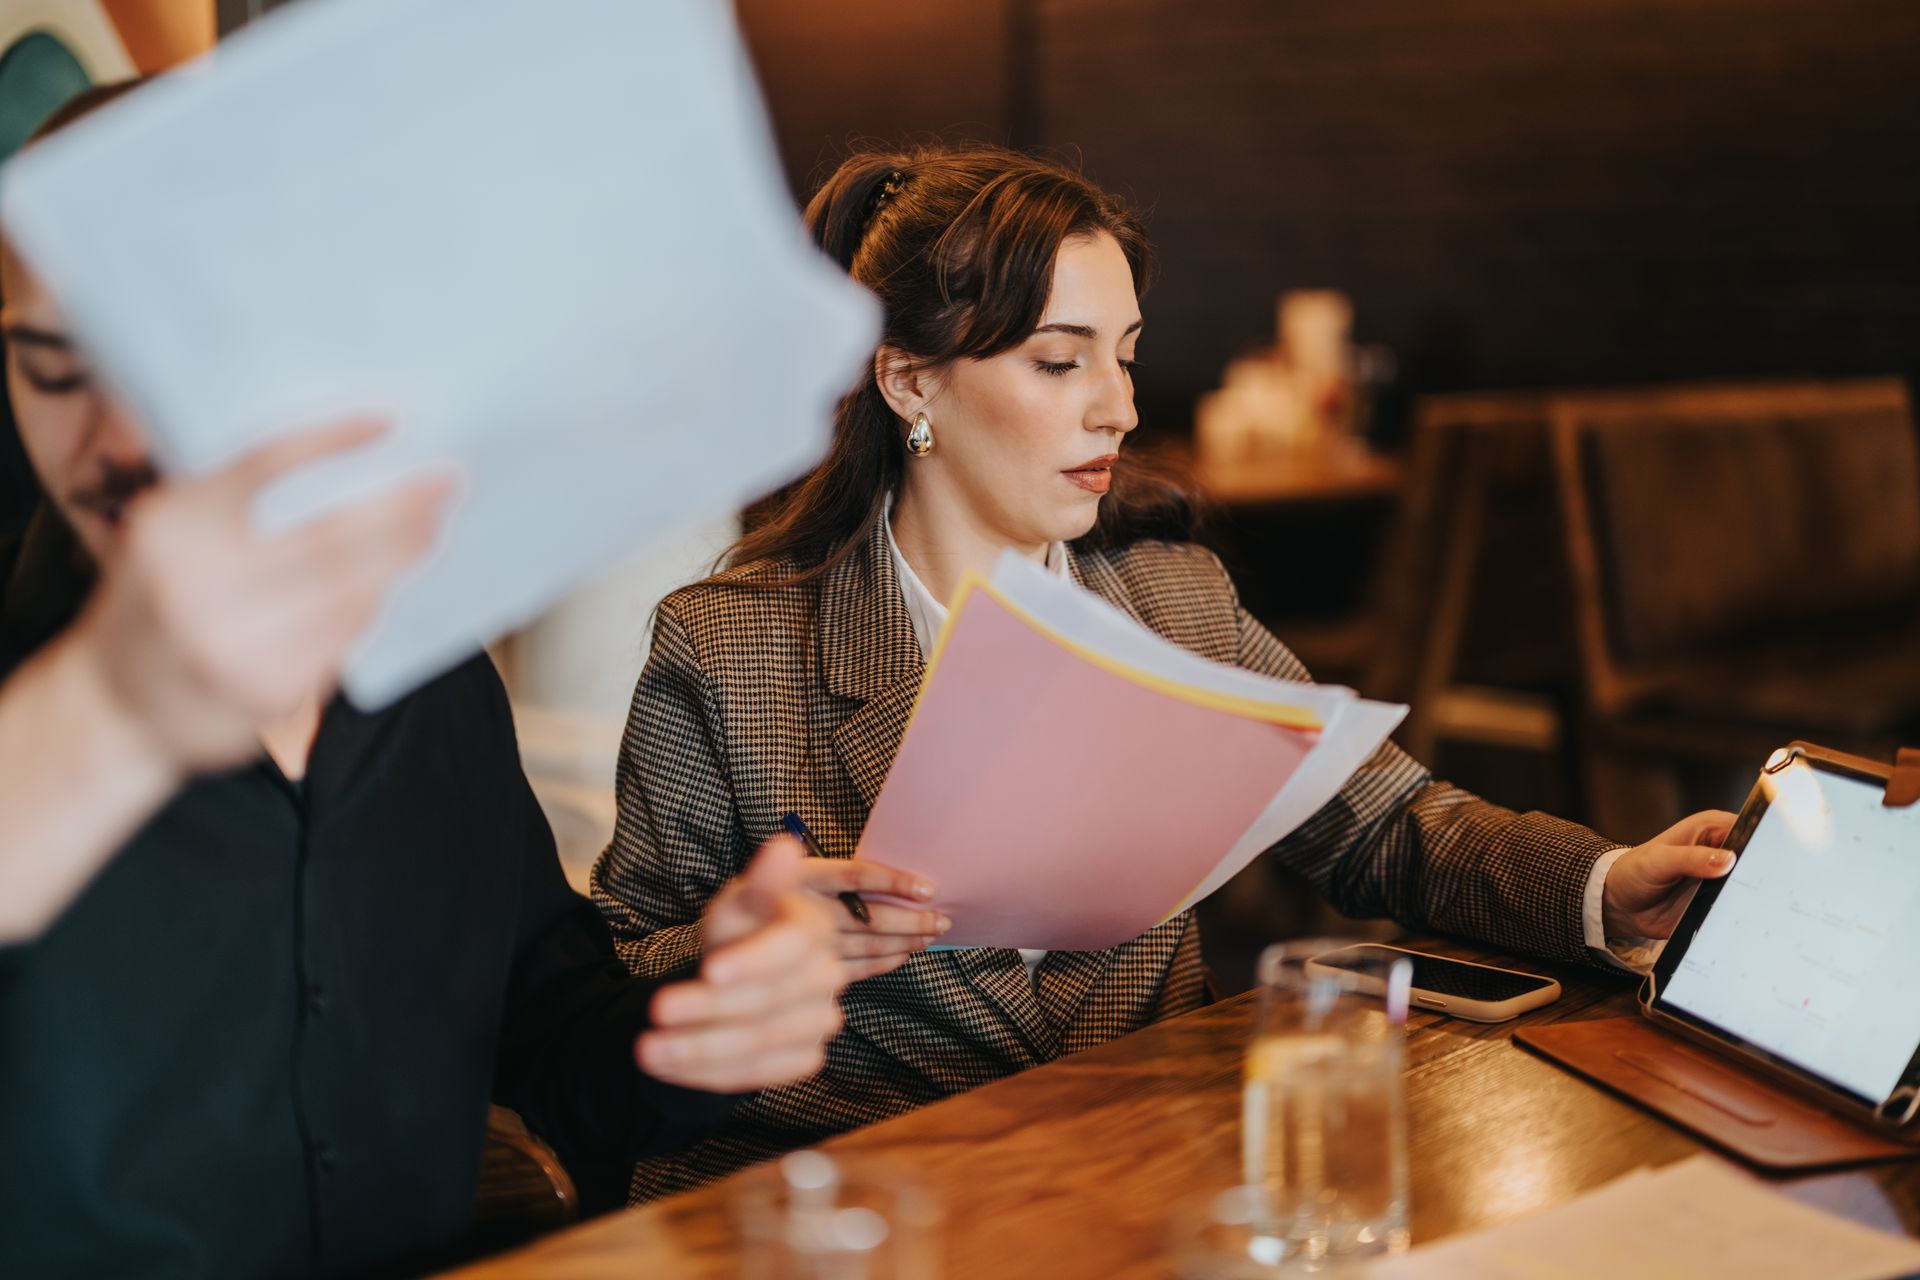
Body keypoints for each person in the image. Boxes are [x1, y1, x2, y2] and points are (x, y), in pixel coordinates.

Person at [591, 143, 1739, 1200]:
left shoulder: (1173, 596)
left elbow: (1394, 825)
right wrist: (743, 949)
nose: (1121, 407)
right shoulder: (731, 646)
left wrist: (1604, 881)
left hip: (1136, 1162)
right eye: (1059, 360)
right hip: (856, 1190)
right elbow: (611, 983)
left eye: (1126, 356)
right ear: (909, 383)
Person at [0, 83, 847, 1279]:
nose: (118, 438)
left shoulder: (429, 678)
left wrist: (702, 1025)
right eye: (54, 367)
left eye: (179, 353)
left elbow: (548, 1036)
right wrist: (114, 710)